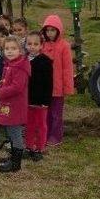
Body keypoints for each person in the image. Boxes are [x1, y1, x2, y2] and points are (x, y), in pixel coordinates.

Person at [0, 36, 31, 173]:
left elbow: (17, 87)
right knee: (10, 130)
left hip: (15, 105)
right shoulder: (10, 64)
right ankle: (13, 157)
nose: (10, 51)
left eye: (13, 48)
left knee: (15, 133)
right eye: (7, 48)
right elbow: (5, 82)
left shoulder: (19, 67)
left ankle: (16, 164)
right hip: (9, 104)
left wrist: (1, 93)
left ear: (20, 50)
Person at [41, 15, 74, 146]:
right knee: (45, 112)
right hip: (44, 87)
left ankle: (56, 136)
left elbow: (67, 68)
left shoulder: (64, 46)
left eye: (53, 30)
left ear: (58, 30)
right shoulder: (42, 45)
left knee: (56, 114)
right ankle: (46, 133)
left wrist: (67, 87)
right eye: (47, 30)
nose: (50, 33)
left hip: (57, 88)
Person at [24, 31, 53, 161]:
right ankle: (29, 146)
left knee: (40, 125)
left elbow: (49, 82)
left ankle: (40, 148)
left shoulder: (46, 61)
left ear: (41, 45)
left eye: (35, 44)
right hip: (27, 99)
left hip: (40, 100)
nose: (32, 46)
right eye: (29, 44)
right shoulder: (23, 60)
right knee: (29, 124)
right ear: (25, 45)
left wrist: (46, 100)